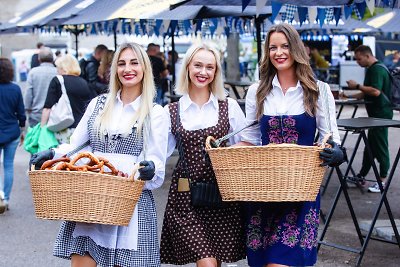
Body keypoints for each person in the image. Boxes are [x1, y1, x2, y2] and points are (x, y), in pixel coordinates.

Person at [30, 42, 169, 266]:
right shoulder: (98, 104)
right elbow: (76, 146)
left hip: (130, 203)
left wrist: (150, 168)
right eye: (121, 63)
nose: (128, 69)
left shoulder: (155, 113)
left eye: (134, 63)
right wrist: (53, 153)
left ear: (144, 68)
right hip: (91, 199)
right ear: (114, 70)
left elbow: (156, 163)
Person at [238, 23, 344, 267]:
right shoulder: (257, 91)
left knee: (281, 262)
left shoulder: (318, 91)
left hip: (301, 190)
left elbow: (329, 137)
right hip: (264, 189)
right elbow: (251, 138)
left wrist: (335, 152)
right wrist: (223, 153)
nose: (279, 52)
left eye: (285, 46)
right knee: (265, 262)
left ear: (296, 49)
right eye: (273, 47)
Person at [160, 43, 247, 266]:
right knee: (206, 261)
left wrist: (230, 153)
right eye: (198, 65)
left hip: (222, 195)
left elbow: (245, 147)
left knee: (216, 261)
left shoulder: (229, 106)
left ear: (216, 71)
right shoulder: (170, 111)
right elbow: (158, 154)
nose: (203, 72)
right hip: (186, 196)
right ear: (187, 67)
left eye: (210, 67)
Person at [346, 45, 393, 193]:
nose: (357, 62)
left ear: (367, 56)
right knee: (370, 147)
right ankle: (362, 176)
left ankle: (383, 180)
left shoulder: (376, 69)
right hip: (376, 114)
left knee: (380, 146)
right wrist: (349, 96)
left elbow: (375, 91)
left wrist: (357, 85)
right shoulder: (375, 68)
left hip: (381, 115)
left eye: (359, 59)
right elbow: (368, 92)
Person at [40, 54, 96, 144]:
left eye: (58, 67)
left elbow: (47, 107)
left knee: (61, 156)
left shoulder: (58, 80)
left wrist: (42, 127)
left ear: (64, 68)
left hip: (62, 128)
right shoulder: (84, 82)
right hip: (81, 129)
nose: (57, 70)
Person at [0, 57, 26, 213]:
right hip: (11, 131)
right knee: (8, 166)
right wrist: (22, 130)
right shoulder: (15, 89)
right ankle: (6, 199)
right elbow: (21, 113)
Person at [24, 47, 57, 128]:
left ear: (39, 59)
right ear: (53, 59)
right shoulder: (58, 72)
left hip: (36, 115)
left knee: (36, 139)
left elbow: (28, 94)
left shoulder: (33, 72)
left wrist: (28, 109)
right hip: (55, 115)